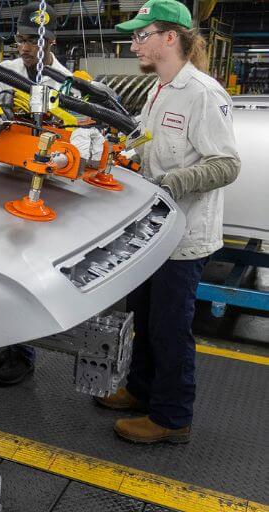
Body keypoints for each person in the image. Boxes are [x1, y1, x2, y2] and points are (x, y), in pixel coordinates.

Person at [95, 0, 240, 444]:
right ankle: (141, 392)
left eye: (142, 35)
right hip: (151, 234)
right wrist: (114, 150)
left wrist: (172, 182)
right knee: (142, 316)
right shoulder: (160, 88)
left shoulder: (202, 93)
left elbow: (227, 165)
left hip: (184, 237)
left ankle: (172, 417)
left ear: (170, 38)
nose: (134, 43)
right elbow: (145, 141)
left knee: (171, 328)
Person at [0, 1, 104, 386]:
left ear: (50, 41)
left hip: (43, 182)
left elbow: (79, 131)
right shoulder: (5, 72)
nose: (23, 48)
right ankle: (5, 339)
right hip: (5, 171)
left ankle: (24, 352)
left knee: (27, 266)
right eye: (19, 40)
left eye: (31, 42)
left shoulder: (68, 81)